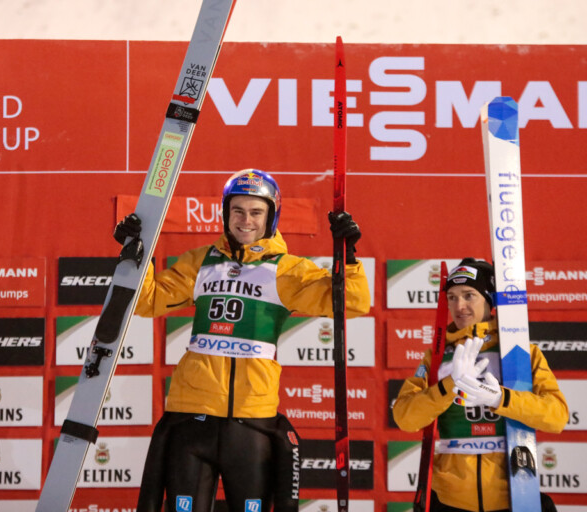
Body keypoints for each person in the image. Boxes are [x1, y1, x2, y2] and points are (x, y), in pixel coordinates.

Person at [114, 169, 371, 512]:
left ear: (271, 216)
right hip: (192, 415)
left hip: (251, 420)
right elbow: (147, 301)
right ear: (225, 214)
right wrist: (136, 254)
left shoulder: (287, 270)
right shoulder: (200, 262)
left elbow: (352, 302)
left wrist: (349, 256)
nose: (245, 220)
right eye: (237, 211)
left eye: (255, 212)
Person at [393, 258, 568, 512]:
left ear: (489, 299)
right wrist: (449, 385)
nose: (459, 306)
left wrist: (501, 399)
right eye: (451, 297)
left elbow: (557, 417)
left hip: (514, 496)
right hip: (450, 499)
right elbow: (404, 418)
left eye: (468, 295)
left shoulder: (520, 352)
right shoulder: (438, 356)